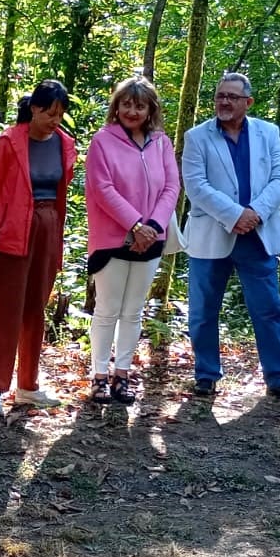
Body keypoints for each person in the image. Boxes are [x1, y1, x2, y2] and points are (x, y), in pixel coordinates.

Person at [182, 72, 280, 404]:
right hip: (211, 236)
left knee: (268, 310)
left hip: (258, 235)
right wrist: (234, 215)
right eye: (219, 96)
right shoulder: (196, 137)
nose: (223, 102)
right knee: (203, 311)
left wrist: (255, 212)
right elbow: (195, 186)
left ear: (248, 102)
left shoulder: (268, 133)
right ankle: (206, 376)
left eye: (231, 97)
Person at [0, 79, 76, 416]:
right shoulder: (9, 142)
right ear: (34, 108)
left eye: (60, 114)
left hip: (48, 227)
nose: (55, 120)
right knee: (6, 309)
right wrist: (3, 226)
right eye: (50, 112)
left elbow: (62, 190)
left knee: (36, 305)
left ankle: (28, 386)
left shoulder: (65, 144)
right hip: (13, 231)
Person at [84, 77, 179, 404]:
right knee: (107, 309)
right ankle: (98, 375)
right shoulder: (102, 141)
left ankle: (121, 374)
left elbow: (171, 188)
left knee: (134, 311)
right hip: (112, 238)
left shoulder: (162, 143)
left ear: (150, 109)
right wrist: (134, 225)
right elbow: (102, 188)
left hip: (151, 238)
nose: (132, 111)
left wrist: (151, 226)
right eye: (126, 104)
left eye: (139, 105)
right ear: (117, 106)